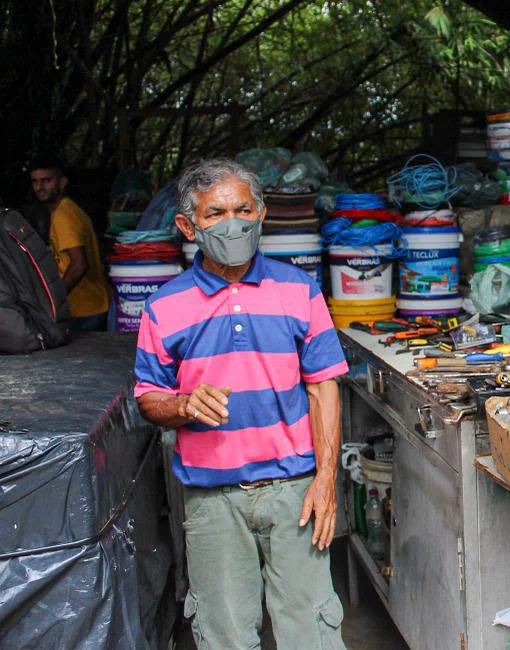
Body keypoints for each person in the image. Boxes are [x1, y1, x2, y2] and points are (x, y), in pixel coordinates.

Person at [134, 159, 348, 650]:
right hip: (213, 499)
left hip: (295, 490)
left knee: (311, 630)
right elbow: (148, 398)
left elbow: (323, 386)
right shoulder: (164, 306)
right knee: (224, 634)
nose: (233, 223)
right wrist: (185, 405)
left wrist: (326, 480)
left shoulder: (300, 289)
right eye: (215, 214)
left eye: (242, 209)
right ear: (188, 225)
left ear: (261, 214)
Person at [30, 159, 109, 330]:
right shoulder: (68, 209)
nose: (39, 187)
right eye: (35, 181)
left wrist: (54, 299)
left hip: (84, 310)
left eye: (46, 180)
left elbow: (79, 264)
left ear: (62, 182)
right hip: (90, 305)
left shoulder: (63, 216)